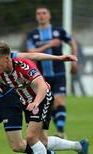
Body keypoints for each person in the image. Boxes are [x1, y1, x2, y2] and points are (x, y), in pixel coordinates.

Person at [0, 24, 88, 154]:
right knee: (39, 141)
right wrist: (59, 57)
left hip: (25, 99)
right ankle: (78, 146)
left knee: (26, 141)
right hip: (11, 101)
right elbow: (31, 55)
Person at [26, 6, 78, 139]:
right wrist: (48, 45)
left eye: (44, 13)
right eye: (39, 13)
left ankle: (60, 131)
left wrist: (74, 61)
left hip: (59, 72)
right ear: (36, 17)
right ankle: (58, 129)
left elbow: (72, 41)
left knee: (60, 101)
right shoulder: (32, 34)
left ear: (49, 16)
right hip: (41, 76)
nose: (41, 15)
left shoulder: (58, 31)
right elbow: (31, 52)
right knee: (50, 104)